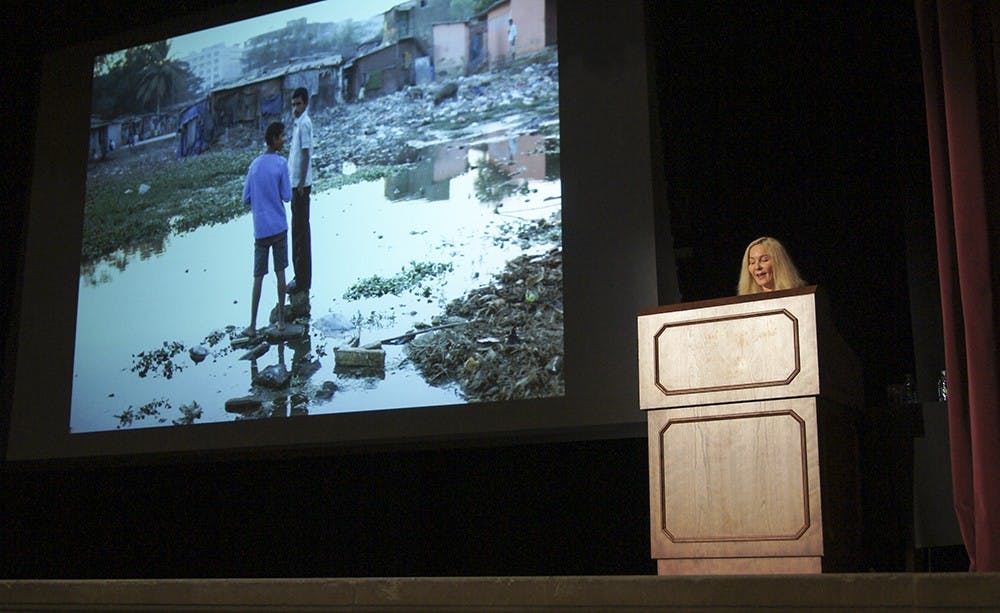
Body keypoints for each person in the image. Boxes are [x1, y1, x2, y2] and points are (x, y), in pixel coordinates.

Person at [243, 122, 292, 337]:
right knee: (280, 273)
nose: (284, 140)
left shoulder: (254, 166)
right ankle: (281, 321)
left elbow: (246, 199)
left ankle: (253, 326)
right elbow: (287, 197)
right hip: (279, 227)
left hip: (260, 229)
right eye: (281, 137)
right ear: (273, 139)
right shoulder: (281, 164)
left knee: (258, 277)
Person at [287, 87, 313, 294]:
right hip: (296, 185)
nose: (295, 108)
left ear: (305, 104)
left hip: (301, 186)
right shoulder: (298, 123)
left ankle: (302, 281)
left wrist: (302, 183)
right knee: (298, 232)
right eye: (293, 104)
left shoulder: (304, 124)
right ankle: (300, 276)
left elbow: (305, 155)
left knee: (300, 234)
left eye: (298, 104)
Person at [737, 236, 807, 295]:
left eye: (764, 260)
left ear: (779, 263)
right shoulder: (745, 304)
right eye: (752, 262)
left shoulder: (799, 296)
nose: (757, 267)